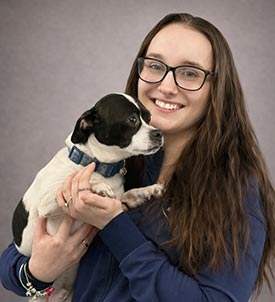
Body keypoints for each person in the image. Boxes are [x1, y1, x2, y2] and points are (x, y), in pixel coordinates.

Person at [1, 12, 275, 302]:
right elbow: (11, 263)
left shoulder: (238, 188)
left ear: (217, 88)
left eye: (190, 73)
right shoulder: (113, 161)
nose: (167, 86)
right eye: (156, 66)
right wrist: (37, 271)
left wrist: (115, 225)